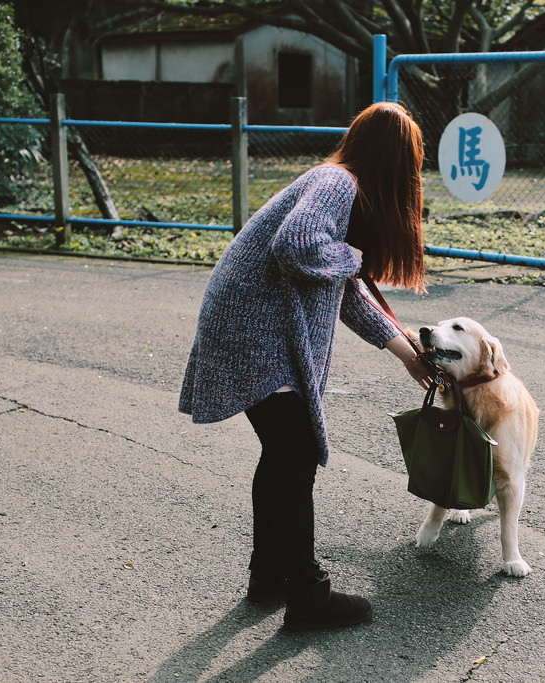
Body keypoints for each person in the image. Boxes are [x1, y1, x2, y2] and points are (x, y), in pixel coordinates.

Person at [179, 101, 435, 631]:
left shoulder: (336, 187)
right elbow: (296, 246)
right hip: (256, 334)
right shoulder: (337, 183)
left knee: (281, 458)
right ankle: (307, 596)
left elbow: (342, 292)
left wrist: (406, 352)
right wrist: (356, 260)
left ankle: (269, 577)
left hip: (245, 327)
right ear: (394, 163)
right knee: (293, 460)